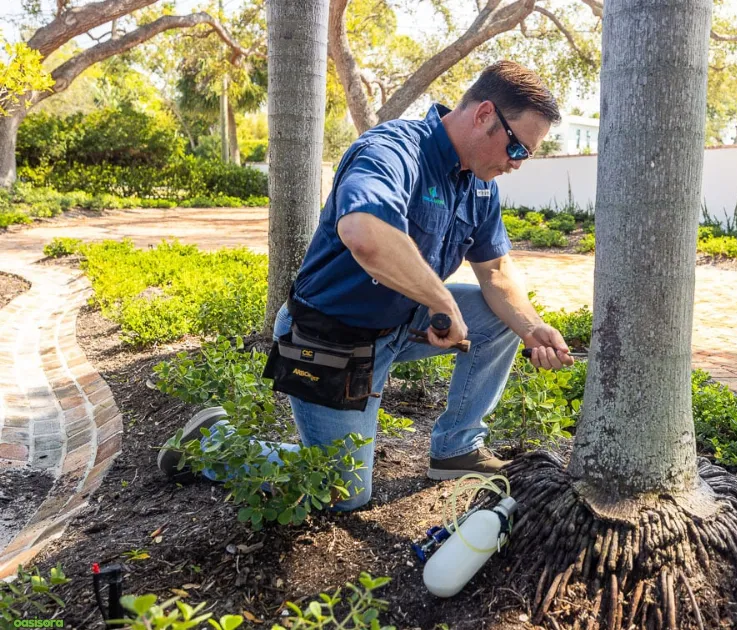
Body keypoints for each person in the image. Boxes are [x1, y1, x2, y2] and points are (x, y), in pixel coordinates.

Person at [158, 60, 575, 512]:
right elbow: (363, 231)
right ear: (484, 114)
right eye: (519, 150)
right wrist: (440, 299)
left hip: (403, 323)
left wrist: (531, 326)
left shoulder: (478, 183)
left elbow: (494, 270)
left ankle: (456, 448)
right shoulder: (393, 150)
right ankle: (210, 444)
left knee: (499, 320)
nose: (517, 165)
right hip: (333, 339)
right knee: (343, 492)